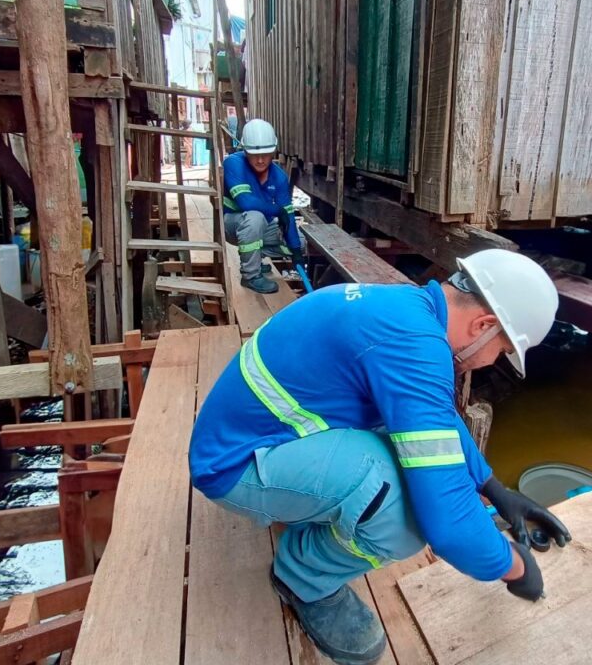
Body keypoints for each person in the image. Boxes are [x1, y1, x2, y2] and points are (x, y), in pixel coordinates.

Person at [189, 249, 571, 664]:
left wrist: (493, 488)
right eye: (500, 352)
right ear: (483, 325)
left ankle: (311, 517)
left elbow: (436, 415)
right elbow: (449, 527)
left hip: (250, 436)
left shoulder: (408, 310)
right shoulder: (415, 347)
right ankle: (303, 577)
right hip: (233, 465)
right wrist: (515, 569)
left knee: (407, 464)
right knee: (406, 514)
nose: (492, 361)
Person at [222, 118, 305, 294]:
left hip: (258, 228)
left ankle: (256, 259)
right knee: (255, 217)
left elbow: (288, 215)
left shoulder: (279, 177)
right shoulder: (233, 163)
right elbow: (246, 202)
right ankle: (250, 275)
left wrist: (296, 252)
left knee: (301, 241)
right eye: (254, 155)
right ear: (245, 151)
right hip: (231, 225)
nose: (260, 160)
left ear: (273, 151)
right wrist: (277, 210)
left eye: (266, 154)